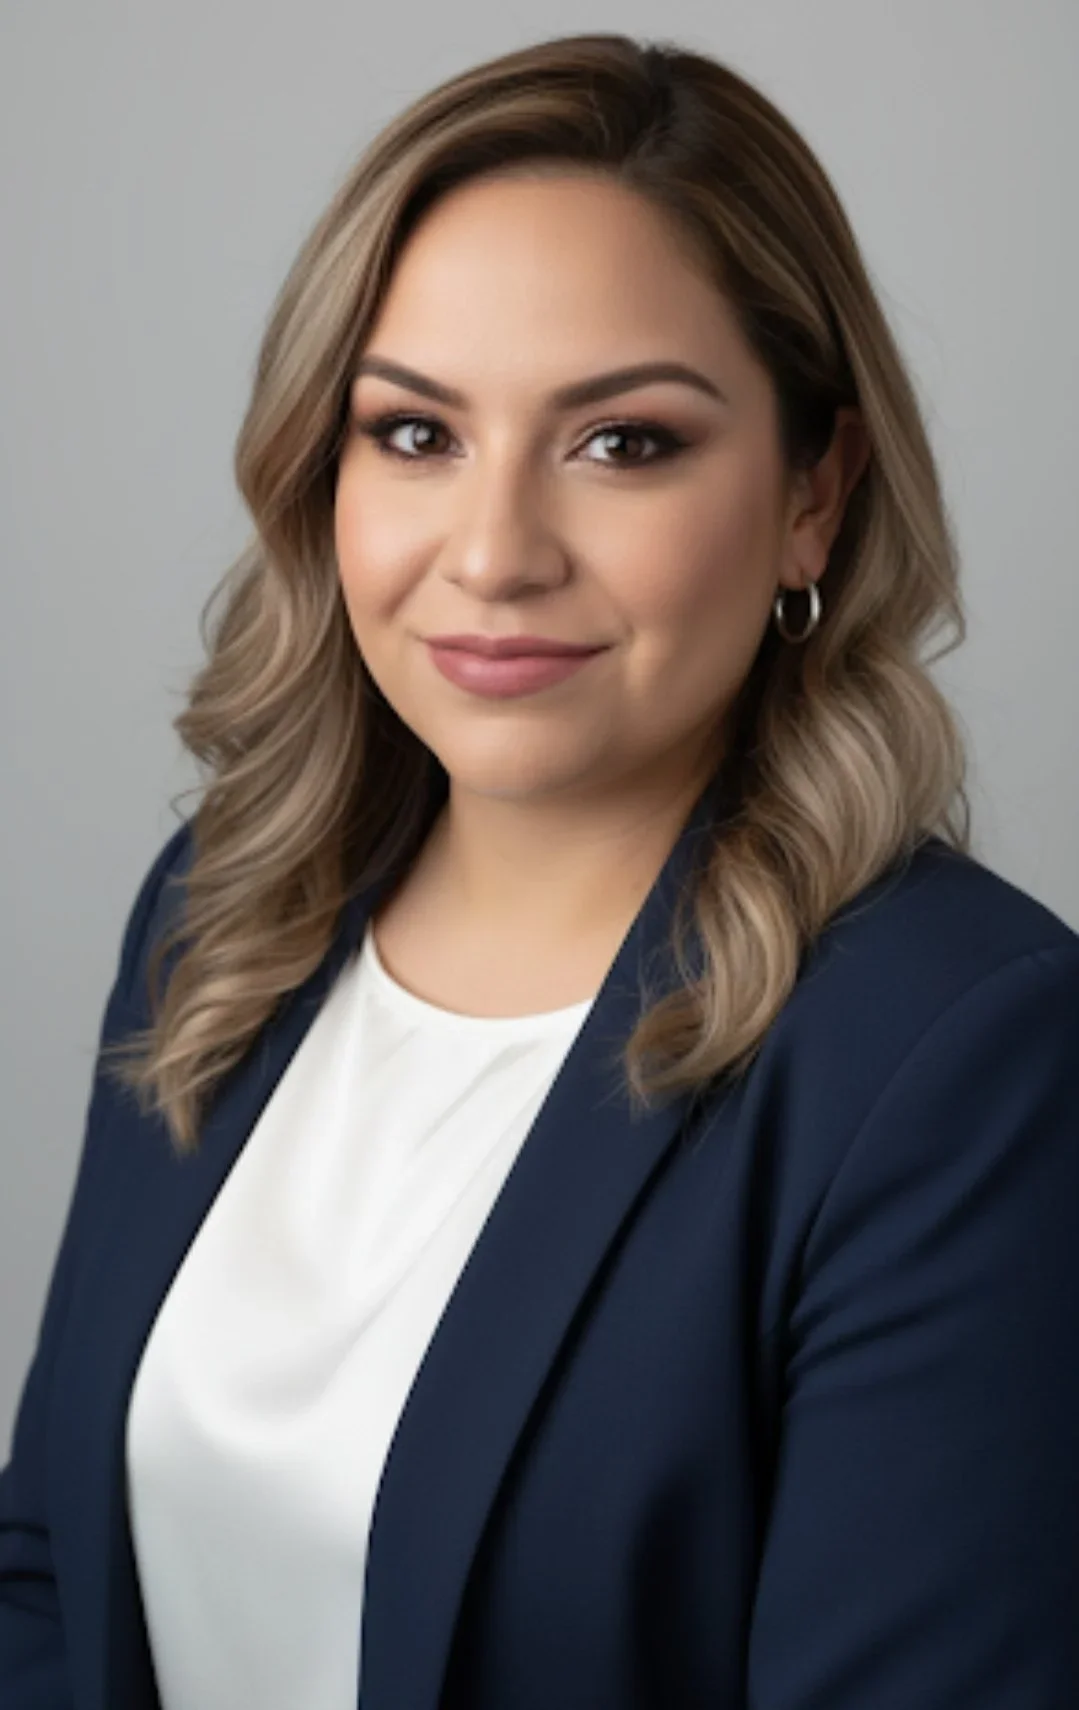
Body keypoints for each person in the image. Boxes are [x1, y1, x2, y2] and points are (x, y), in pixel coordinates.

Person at [2, 28, 1078, 1710]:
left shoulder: (959, 1056)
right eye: (415, 433)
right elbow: (53, 1575)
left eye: (621, 442)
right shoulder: (226, 904)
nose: (493, 553)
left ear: (815, 493)